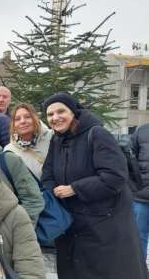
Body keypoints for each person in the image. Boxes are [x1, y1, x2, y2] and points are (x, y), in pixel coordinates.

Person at [41, 92, 147, 279]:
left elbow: (115, 176)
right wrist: (53, 192)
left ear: (73, 112)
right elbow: (48, 174)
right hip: (72, 225)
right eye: (50, 114)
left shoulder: (96, 134)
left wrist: (74, 188)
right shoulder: (57, 140)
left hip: (104, 226)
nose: (55, 118)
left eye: (60, 111)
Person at [4, 103, 53, 180]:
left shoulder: (52, 137)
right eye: (17, 119)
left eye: (27, 117)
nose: (22, 121)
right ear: (13, 124)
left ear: (35, 118)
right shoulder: (9, 151)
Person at [130, 123, 149, 261]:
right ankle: (140, 272)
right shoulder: (142, 130)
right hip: (141, 196)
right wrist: (134, 185)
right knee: (138, 237)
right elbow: (130, 159)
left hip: (140, 195)